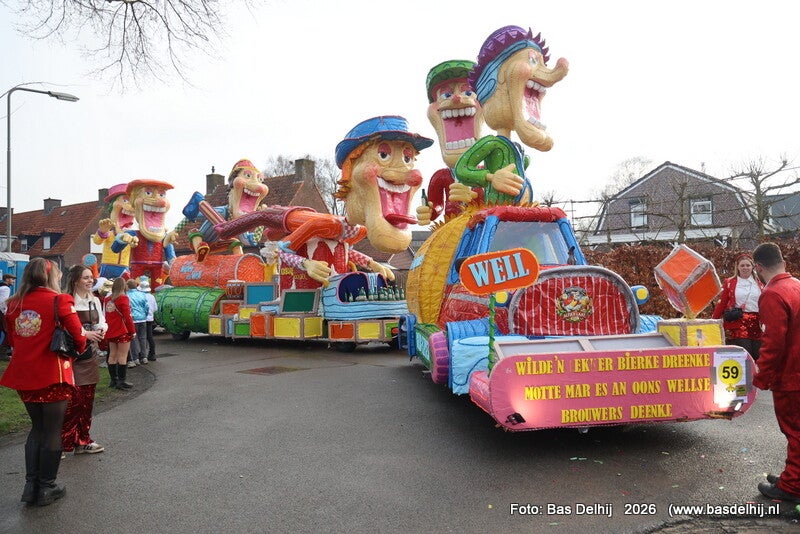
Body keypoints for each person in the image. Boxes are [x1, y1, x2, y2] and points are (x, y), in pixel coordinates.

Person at [0, 258, 87, 506]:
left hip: (24, 374)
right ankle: (47, 486)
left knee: (37, 429)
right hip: (52, 373)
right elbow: (79, 335)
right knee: (52, 431)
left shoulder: (13, 303)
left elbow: (13, 339)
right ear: (50, 277)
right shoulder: (59, 300)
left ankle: (31, 486)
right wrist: (79, 348)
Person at [751, 242, 800, 503]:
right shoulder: (797, 286)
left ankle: (792, 486)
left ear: (758, 268)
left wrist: (760, 378)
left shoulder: (772, 294)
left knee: (794, 430)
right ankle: (792, 476)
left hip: (791, 376)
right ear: (782, 261)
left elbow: (773, 343)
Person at [61, 265, 107, 456]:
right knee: (72, 401)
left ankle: (83, 439)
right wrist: (84, 333)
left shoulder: (94, 300)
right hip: (71, 355)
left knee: (87, 400)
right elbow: (62, 328)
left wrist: (101, 329)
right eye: (85, 277)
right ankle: (62, 442)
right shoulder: (66, 300)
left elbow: (102, 320)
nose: (90, 281)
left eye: (91, 277)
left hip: (89, 354)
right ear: (75, 280)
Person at [711, 253, 763, 358]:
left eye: (748, 265)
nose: (745, 268)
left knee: (758, 354)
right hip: (740, 322)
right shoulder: (730, 282)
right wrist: (713, 321)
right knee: (746, 353)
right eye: (742, 265)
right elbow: (722, 303)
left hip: (758, 323)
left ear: (752, 267)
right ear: (737, 267)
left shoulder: (760, 283)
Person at [104, 277, 135, 389]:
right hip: (122, 330)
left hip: (111, 330)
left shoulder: (107, 299)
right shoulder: (123, 298)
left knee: (112, 355)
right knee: (123, 356)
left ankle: (113, 380)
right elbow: (127, 317)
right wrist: (132, 331)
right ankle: (121, 381)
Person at [126, 278, 149, 365]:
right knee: (143, 338)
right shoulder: (142, 294)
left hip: (133, 319)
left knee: (134, 339)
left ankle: (136, 358)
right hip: (142, 318)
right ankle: (144, 357)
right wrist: (145, 315)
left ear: (128, 286)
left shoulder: (127, 296)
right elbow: (146, 306)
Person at [139, 277, 158, 361]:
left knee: (141, 337)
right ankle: (152, 353)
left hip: (142, 319)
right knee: (150, 337)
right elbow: (155, 308)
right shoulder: (152, 297)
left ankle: (142, 354)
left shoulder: (140, 296)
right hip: (150, 319)